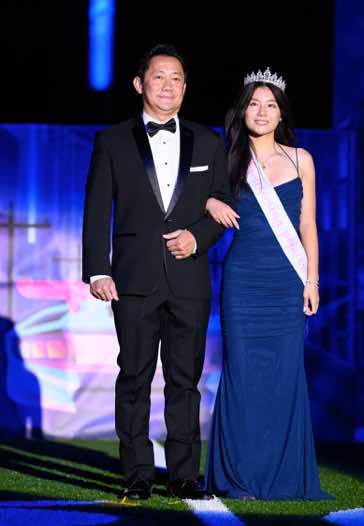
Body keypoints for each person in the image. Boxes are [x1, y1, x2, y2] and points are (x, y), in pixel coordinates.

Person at [82, 44, 233, 501]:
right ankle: (137, 473)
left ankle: (184, 474)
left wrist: (198, 238)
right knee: (134, 376)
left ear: (186, 88)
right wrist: (97, 271)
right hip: (133, 279)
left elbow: (224, 208)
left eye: (177, 78)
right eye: (159, 77)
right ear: (139, 83)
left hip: (189, 280)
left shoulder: (209, 142)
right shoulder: (111, 141)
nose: (169, 86)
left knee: (186, 381)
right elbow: (96, 210)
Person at [204, 68, 333, 500]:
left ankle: (282, 476)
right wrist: (209, 200)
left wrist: (312, 280)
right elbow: (196, 198)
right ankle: (237, 476)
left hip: (286, 281)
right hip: (243, 282)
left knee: (283, 376)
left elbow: (308, 224)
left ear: (281, 114)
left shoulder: (301, 159)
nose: (262, 112)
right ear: (243, 111)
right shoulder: (227, 158)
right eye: (254, 104)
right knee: (241, 375)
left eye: (271, 105)